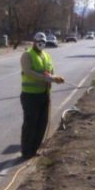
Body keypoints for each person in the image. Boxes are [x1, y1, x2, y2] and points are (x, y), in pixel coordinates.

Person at [19, 31, 64, 159]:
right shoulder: (27, 55)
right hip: (30, 96)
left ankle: (34, 149)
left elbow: (50, 73)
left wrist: (56, 78)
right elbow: (28, 72)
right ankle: (26, 151)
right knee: (31, 123)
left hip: (44, 95)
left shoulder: (47, 56)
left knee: (42, 123)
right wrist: (48, 79)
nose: (41, 44)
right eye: (39, 41)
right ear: (34, 41)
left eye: (43, 42)